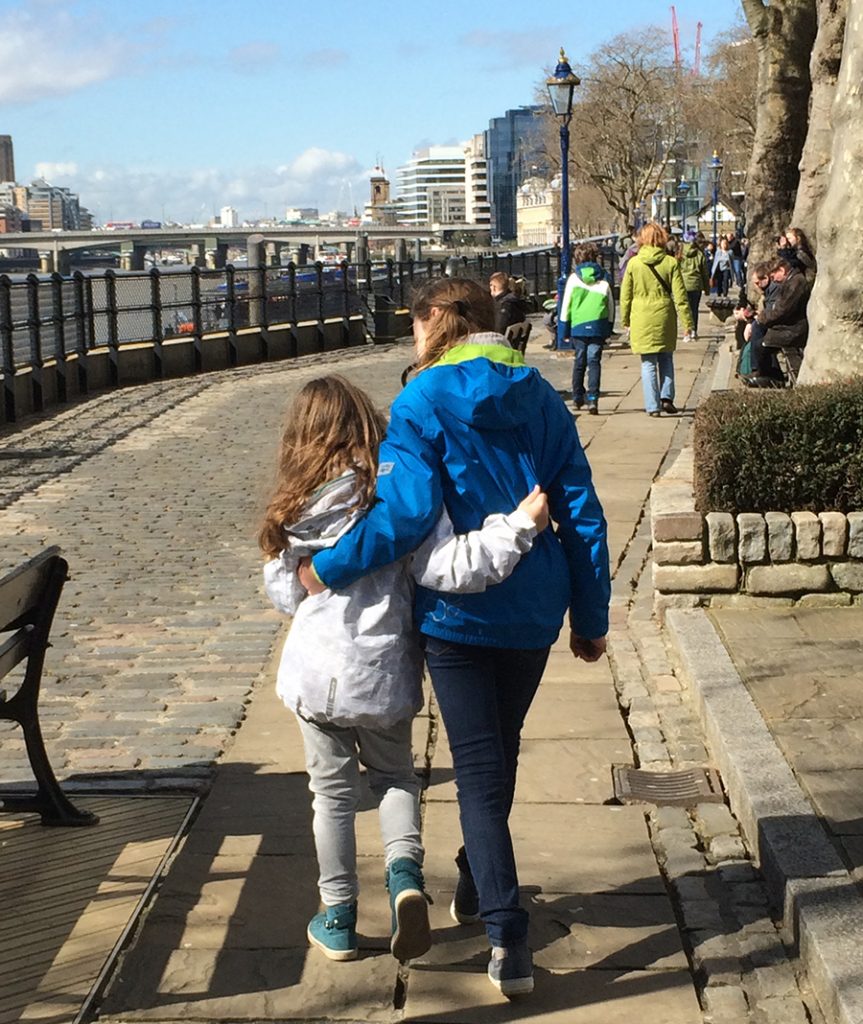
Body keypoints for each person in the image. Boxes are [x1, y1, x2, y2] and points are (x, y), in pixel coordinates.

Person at [301, 278, 610, 997]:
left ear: (442, 321)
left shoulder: (419, 403)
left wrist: (327, 567)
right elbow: (583, 512)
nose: (413, 337)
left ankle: (508, 935)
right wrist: (589, 618)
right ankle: (477, 880)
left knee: (475, 769)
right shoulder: (539, 395)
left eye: (416, 323)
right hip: (534, 604)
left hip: (458, 615)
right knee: (498, 754)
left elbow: (406, 517)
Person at [260, 375, 549, 965]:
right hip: (382, 672)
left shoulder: (294, 507)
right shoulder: (396, 501)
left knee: (331, 797)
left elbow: (286, 595)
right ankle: (403, 879)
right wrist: (516, 527)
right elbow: (450, 568)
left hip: (315, 676)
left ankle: (337, 915)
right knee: (395, 779)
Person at [620, 222, 693, 416]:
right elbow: (681, 296)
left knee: (648, 363)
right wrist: (688, 323)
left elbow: (625, 295)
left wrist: (624, 319)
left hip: (641, 315)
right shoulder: (670, 263)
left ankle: (652, 406)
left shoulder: (634, 264)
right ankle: (667, 397)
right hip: (664, 314)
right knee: (666, 358)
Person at [558, 243, 615, 414]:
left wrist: (564, 331)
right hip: (598, 325)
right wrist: (609, 328)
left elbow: (565, 306)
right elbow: (610, 305)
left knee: (579, 361)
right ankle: (593, 399)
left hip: (578, 326)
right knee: (594, 362)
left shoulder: (573, 279)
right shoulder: (603, 277)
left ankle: (577, 397)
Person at [678, 231, 710, 342]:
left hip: (683, 284)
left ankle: (687, 331)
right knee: (694, 308)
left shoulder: (680, 253)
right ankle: (694, 331)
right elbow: (705, 273)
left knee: (684, 309)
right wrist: (707, 288)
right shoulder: (700, 254)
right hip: (696, 284)